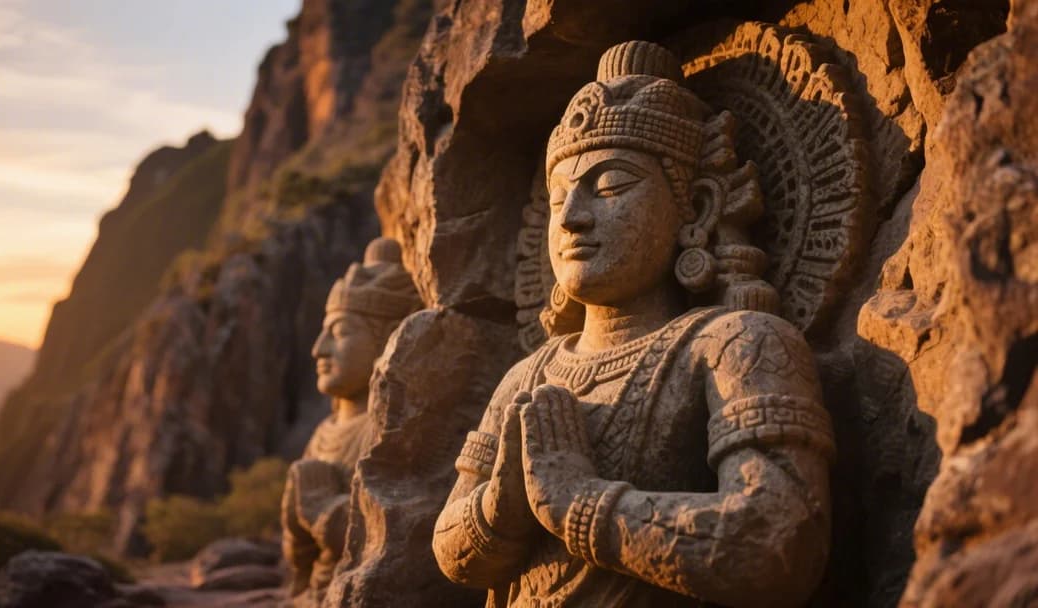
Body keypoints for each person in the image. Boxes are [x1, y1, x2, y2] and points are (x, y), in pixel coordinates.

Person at [433, 41, 835, 608]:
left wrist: (577, 501)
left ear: (694, 209)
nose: (572, 216)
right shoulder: (527, 378)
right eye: (558, 197)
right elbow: (452, 552)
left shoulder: (737, 344)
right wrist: (505, 500)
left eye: (610, 187)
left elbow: (778, 541)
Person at [282, 237, 422, 606]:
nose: (319, 348)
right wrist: (296, 530)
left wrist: (321, 510)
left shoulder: (393, 428)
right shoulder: (323, 433)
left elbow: (395, 540)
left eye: (340, 332)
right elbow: (300, 557)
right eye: (324, 332)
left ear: (388, 340)